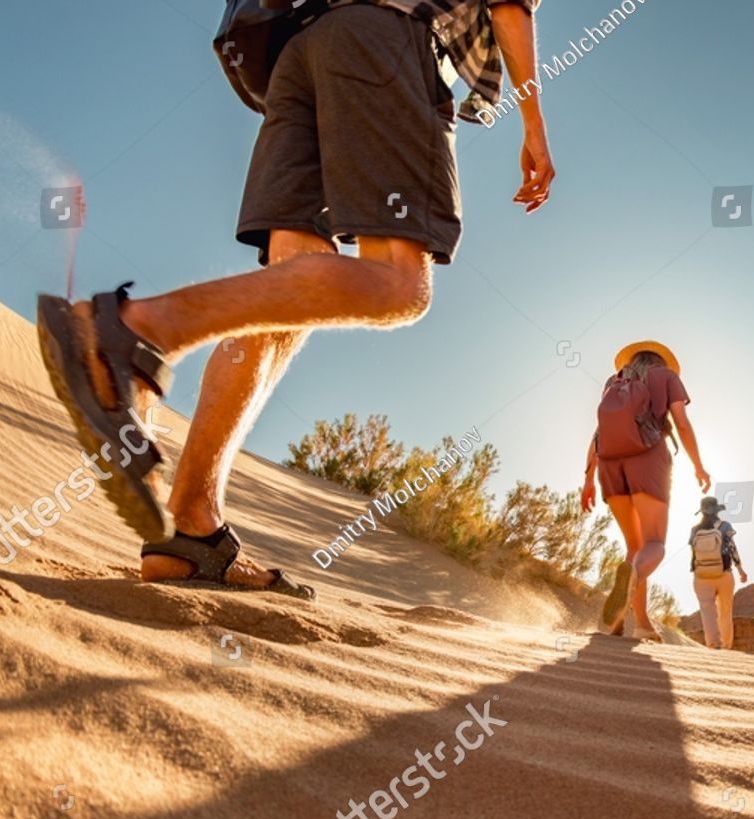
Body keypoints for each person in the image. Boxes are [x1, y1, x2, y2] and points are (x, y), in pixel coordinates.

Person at [35, 0, 554, 599]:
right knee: (399, 285)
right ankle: (131, 333)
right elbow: (509, 5)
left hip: (302, 50)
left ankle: (194, 531)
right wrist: (534, 124)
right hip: (383, 41)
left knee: (284, 305)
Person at [581, 341, 711, 642]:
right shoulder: (666, 377)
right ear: (662, 361)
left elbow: (598, 432)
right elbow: (682, 424)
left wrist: (588, 480)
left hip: (610, 466)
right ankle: (629, 599)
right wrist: (698, 466)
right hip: (648, 459)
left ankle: (639, 624)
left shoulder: (615, 382)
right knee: (654, 544)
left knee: (634, 548)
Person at [688, 496, 747, 651]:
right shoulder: (725, 525)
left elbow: (693, 552)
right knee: (725, 611)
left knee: (707, 611)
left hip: (701, 575)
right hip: (724, 573)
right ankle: (726, 646)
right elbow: (732, 548)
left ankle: (714, 644)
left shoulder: (695, 530)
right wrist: (740, 569)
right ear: (717, 511)